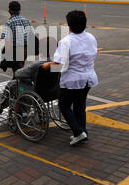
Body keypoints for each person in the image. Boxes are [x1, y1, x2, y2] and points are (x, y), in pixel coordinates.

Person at [42, 10, 98, 146]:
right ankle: (82, 132)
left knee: (64, 105)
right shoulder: (91, 38)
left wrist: (46, 66)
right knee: (80, 106)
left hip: (72, 80)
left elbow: (60, 65)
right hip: (88, 78)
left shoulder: (66, 42)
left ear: (70, 26)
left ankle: (79, 132)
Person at [0, 37, 57, 115]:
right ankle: (21, 109)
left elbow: (18, 73)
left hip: (38, 92)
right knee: (21, 84)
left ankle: (0, 107)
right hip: (53, 91)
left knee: (12, 85)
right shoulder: (58, 62)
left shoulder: (38, 64)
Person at [0, 1, 34, 78]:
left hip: (15, 49)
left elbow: (6, 39)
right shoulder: (26, 20)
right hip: (25, 49)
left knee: (17, 70)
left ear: (9, 11)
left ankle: (18, 85)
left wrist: (7, 54)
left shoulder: (9, 22)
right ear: (20, 10)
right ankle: (18, 84)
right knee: (20, 66)